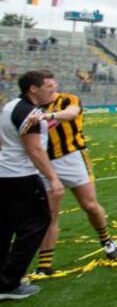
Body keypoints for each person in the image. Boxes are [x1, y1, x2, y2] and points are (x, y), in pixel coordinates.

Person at [33, 89, 117, 276]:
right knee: (50, 213)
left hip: (72, 157)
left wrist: (48, 116)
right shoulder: (31, 105)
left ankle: (106, 240)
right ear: (35, 88)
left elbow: (72, 112)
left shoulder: (67, 99)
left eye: (51, 84)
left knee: (89, 205)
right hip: (45, 162)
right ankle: (44, 265)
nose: (50, 88)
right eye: (46, 85)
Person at [0, 71, 61, 300]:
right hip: (22, 175)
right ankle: (9, 283)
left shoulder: (11, 106)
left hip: (5, 173)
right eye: (49, 86)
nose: (53, 91)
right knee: (37, 223)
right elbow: (34, 149)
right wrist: (53, 178)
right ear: (33, 89)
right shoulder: (30, 113)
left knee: (5, 227)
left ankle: (3, 278)